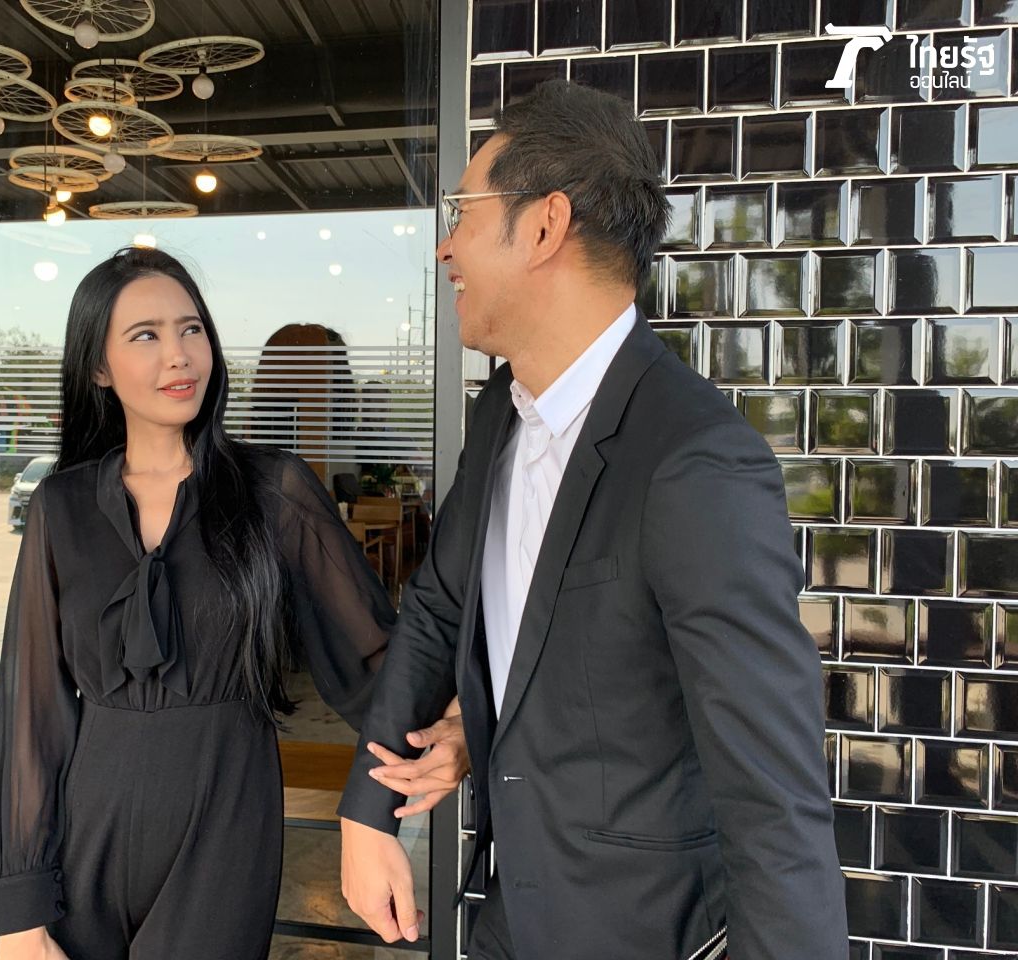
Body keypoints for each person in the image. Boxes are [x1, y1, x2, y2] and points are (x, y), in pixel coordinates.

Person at [337, 80, 848, 959]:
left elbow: (772, 796)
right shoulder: (502, 411)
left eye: (462, 212)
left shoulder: (694, 460)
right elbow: (439, 608)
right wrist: (368, 808)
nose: (445, 246)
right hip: (510, 917)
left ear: (544, 226)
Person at [0, 247, 465, 959]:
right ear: (98, 368)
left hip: (226, 822)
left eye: (191, 329)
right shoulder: (62, 506)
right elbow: (32, 714)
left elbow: (377, 662)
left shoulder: (274, 490)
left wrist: (458, 723)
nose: (178, 354)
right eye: (145, 335)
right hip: (87, 832)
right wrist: (21, 917)